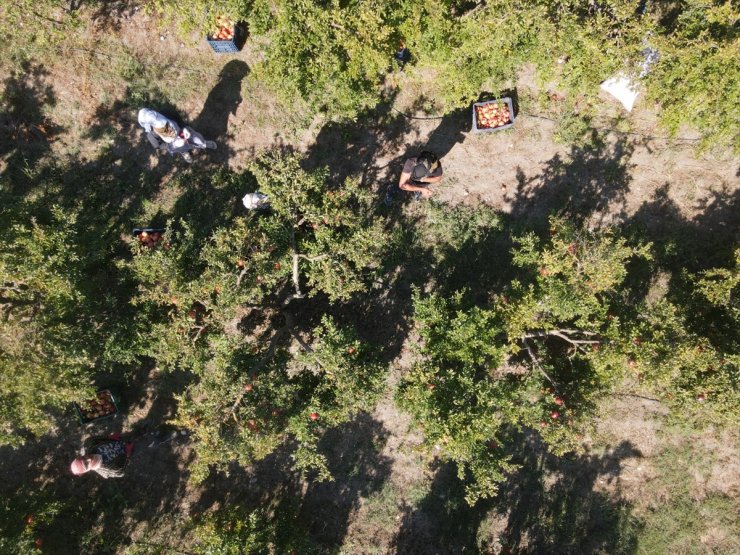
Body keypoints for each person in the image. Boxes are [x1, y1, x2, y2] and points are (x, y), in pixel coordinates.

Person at [137, 108, 217, 163]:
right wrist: (173, 145)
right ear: (149, 126)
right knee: (181, 148)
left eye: (159, 118)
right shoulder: (151, 135)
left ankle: (204, 143)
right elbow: (159, 146)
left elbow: (177, 117)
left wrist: (184, 127)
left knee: (197, 138)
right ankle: (184, 152)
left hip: (181, 131)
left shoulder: (165, 112)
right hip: (173, 143)